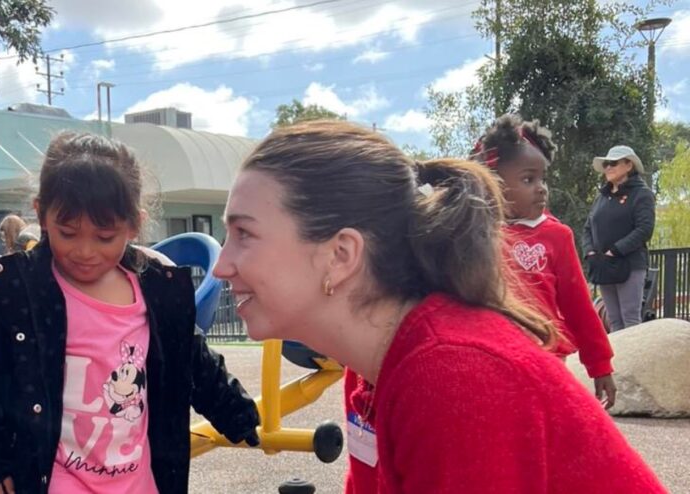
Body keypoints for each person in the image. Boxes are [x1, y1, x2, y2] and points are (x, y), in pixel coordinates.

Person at [213, 120, 663, 492]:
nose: (221, 266)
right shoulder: (372, 369)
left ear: (341, 254)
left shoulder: (455, 377)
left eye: (244, 234)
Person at [0, 132, 260, 494]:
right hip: (54, 479)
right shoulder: (14, 294)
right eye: (68, 232)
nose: (85, 251)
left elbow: (190, 361)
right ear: (41, 215)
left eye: (105, 236)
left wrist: (236, 413)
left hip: (139, 481)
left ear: (134, 225)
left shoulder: (157, 291)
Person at [473, 114, 616, 407]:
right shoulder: (476, 235)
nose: (541, 188)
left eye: (542, 178)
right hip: (490, 360)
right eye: (528, 179)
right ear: (493, 183)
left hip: (545, 358)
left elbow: (579, 307)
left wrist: (600, 364)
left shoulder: (555, 236)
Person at [584, 145, 656, 331]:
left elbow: (644, 230)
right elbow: (588, 227)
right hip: (604, 265)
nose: (608, 167)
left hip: (629, 265)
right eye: (606, 164)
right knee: (613, 321)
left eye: (613, 163)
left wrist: (615, 250)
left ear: (628, 165)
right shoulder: (601, 197)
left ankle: (634, 360)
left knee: (630, 320)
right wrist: (590, 252)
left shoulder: (642, 194)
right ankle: (618, 360)